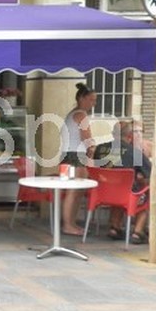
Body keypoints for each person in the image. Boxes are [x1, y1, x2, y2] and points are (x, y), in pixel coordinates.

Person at [60, 82, 97, 236]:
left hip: (67, 154)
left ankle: (71, 223)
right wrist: (92, 153)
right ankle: (68, 224)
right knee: (74, 192)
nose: (93, 104)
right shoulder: (81, 115)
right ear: (82, 98)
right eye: (91, 100)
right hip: (77, 156)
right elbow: (87, 139)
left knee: (75, 192)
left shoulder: (71, 114)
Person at [106, 121, 151, 244]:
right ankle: (137, 232)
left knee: (119, 190)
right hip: (127, 195)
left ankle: (115, 228)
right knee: (147, 195)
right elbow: (150, 173)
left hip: (105, 194)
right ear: (130, 136)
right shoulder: (135, 153)